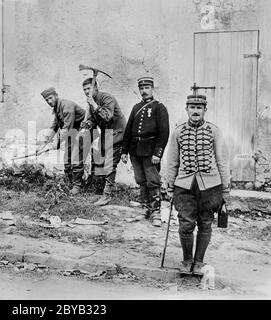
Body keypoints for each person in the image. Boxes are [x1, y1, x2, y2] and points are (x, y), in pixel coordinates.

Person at [166, 94, 231, 273]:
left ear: (205, 110)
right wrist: (169, 186)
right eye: (192, 107)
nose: (195, 111)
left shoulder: (214, 131)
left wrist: (225, 188)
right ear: (186, 109)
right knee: (185, 223)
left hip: (210, 186)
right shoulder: (178, 131)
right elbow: (172, 161)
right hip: (184, 186)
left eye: (199, 107)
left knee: (205, 222)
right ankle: (187, 261)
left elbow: (222, 161)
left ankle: (199, 261)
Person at [121, 75, 170, 227]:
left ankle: (156, 212)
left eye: (147, 88)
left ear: (152, 89)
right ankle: (145, 209)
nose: (144, 91)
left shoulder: (159, 107)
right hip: (135, 151)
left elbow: (164, 132)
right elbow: (128, 130)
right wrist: (124, 151)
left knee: (153, 182)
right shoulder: (136, 107)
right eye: (141, 88)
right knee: (141, 181)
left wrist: (158, 153)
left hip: (150, 152)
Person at [79, 78, 127, 206]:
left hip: (118, 133)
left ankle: (107, 196)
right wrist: (87, 124)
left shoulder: (107, 98)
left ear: (96, 87)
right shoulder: (91, 103)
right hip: (106, 134)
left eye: (88, 88)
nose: (86, 92)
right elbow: (94, 121)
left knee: (110, 164)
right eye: (84, 89)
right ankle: (99, 191)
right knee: (98, 159)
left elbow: (107, 116)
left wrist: (94, 105)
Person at [38, 87, 86, 194]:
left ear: (56, 95)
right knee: (67, 158)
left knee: (76, 157)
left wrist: (55, 144)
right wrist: (45, 142)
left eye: (50, 98)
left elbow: (66, 128)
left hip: (84, 130)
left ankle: (78, 186)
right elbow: (55, 125)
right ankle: (69, 182)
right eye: (47, 100)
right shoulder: (56, 108)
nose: (49, 102)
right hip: (72, 131)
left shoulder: (66, 106)